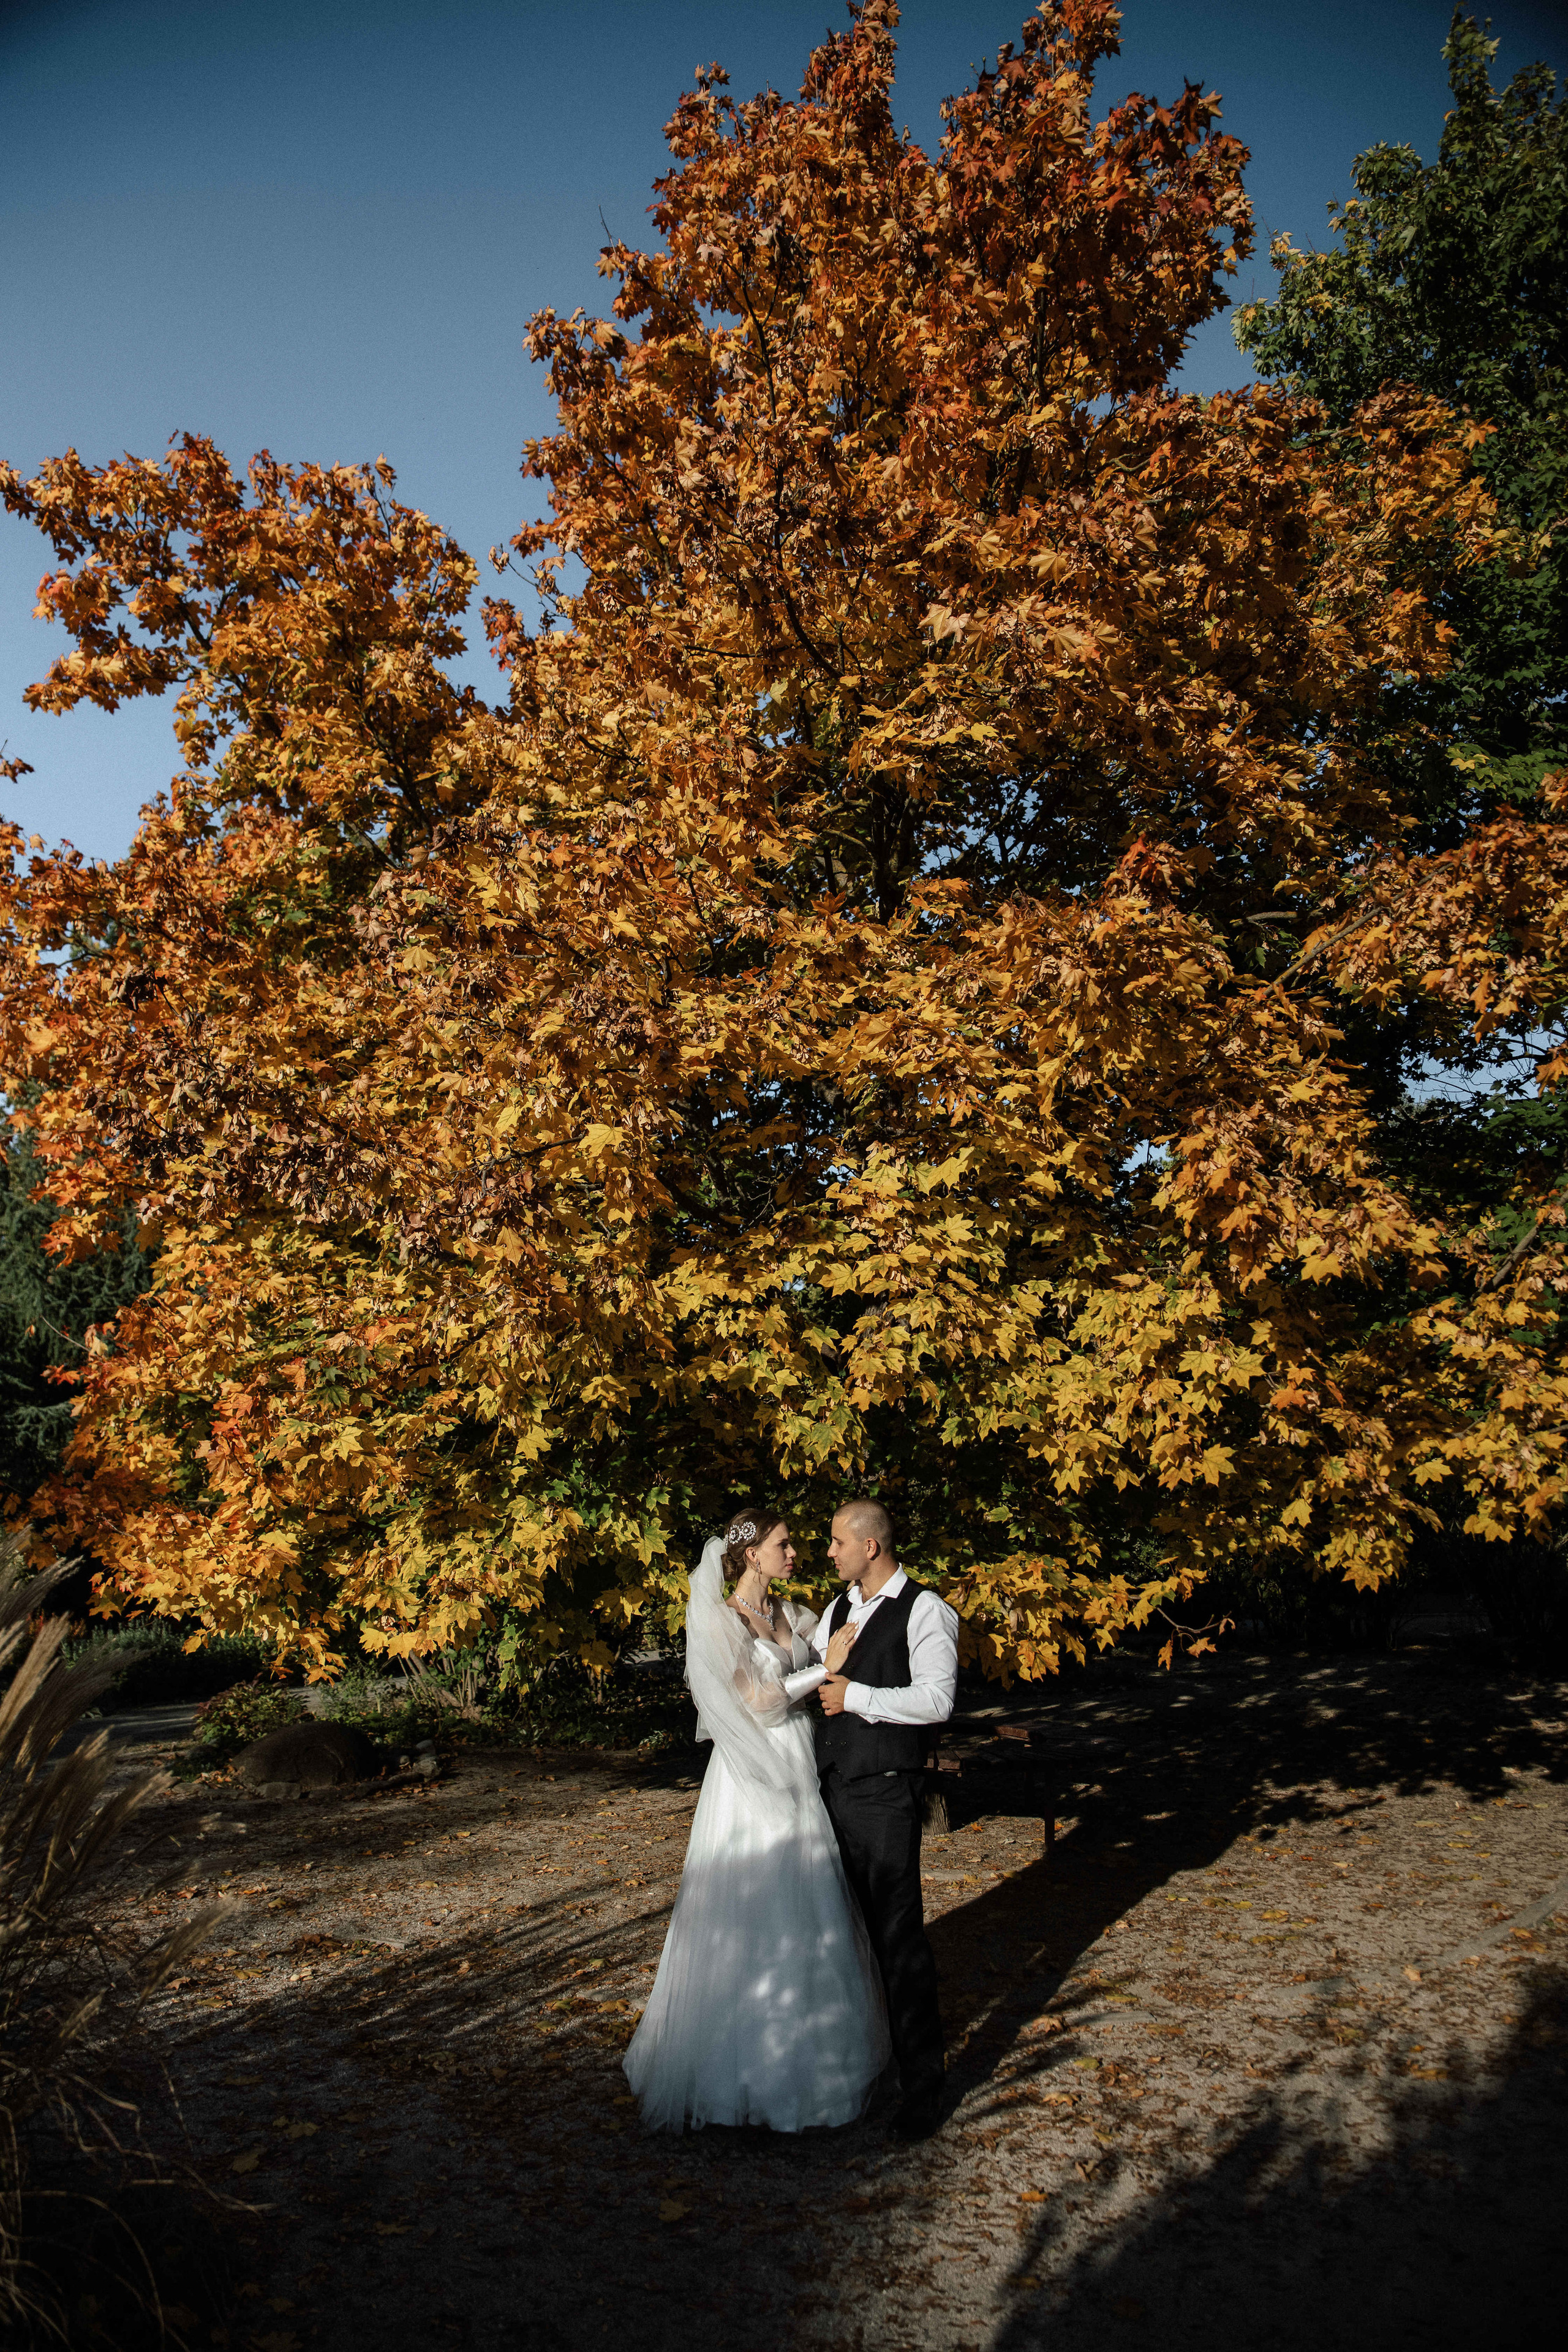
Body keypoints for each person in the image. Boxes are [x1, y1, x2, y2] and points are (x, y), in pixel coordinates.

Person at [622, 1507, 890, 2132]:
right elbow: (760, 1700)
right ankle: (735, 2073)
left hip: (799, 1769)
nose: (794, 1553)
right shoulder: (720, 1622)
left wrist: (833, 1652)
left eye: (795, 1544)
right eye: (783, 1544)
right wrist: (824, 1668)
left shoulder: (792, 1617)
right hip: (750, 1778)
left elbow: (824, 1653)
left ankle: (815, 2062)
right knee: (755, 1906)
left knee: (809, 1904)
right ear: (750, 1555)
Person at [784, 1498, 958, 2142]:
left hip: (884, 1794)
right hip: (828, 1791)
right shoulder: (836, 1610)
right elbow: (803, 1673)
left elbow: (938, 1698)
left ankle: (923, 2088)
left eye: (835, 1542)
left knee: (897, 1937)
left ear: (870, 1547)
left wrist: (854, 1696)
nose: (827, 1552)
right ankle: (860, 2069)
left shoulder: (926, 1610)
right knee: (844, 1938)